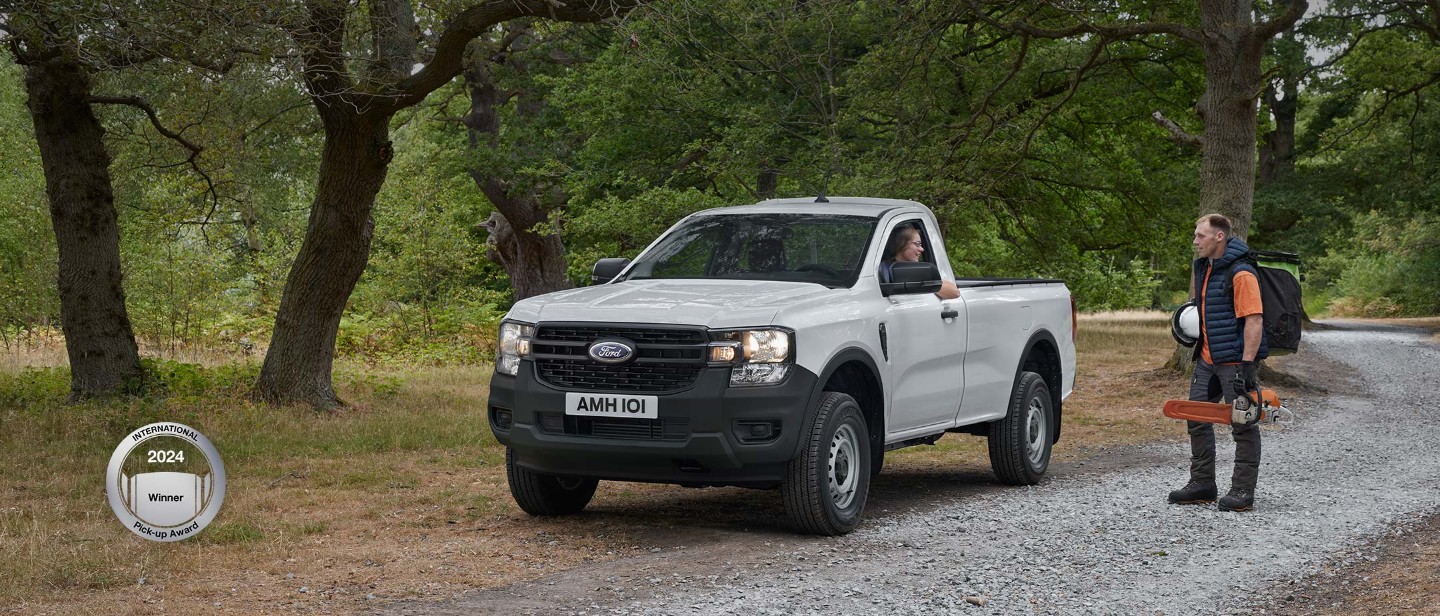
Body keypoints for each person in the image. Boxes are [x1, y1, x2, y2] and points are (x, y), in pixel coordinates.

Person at [1168, 213, 1267, 512]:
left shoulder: (1241, 273)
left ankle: (1242, 490)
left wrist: (1248, 365)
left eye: (1201, 236)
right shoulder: (1207, 268)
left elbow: (1254, 319)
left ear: (1219, 237)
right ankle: (1202, 483)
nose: (1195, 241)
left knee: (1243, 424)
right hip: (1207, 359)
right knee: (1196, 417)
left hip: (1235, 362)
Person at [879, 225, 960, 300]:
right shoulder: (881, 269)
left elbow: (954, 292)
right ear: (901, 244)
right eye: (917, 244)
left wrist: (924, 281)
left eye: (920, 244)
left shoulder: (915, 270)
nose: (922, 249)